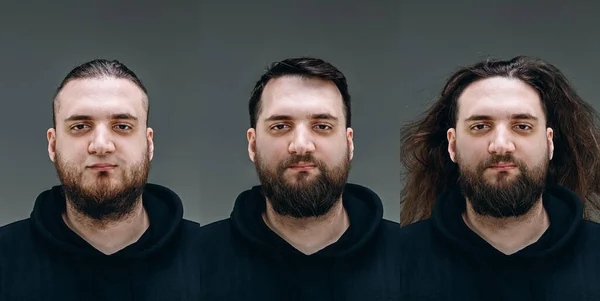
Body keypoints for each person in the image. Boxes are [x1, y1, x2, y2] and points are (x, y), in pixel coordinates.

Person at [197, 57, 401, 300]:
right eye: (281, 126)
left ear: (349, 143)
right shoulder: (197, 258)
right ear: (252, 145)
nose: (301, 145)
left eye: (322, 126)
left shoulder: (409, 257)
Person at [397, 56, 600, 300]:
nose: (501, 145)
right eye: (480, 126)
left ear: (549, 143)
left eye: (522, 126)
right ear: (452, 145)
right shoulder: (398, 260)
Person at [0, 59, 202, 301]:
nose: (101, 145)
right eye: (80, 126)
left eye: (122, 126)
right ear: (53, 144)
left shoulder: (209, 256)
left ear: (149, 144)